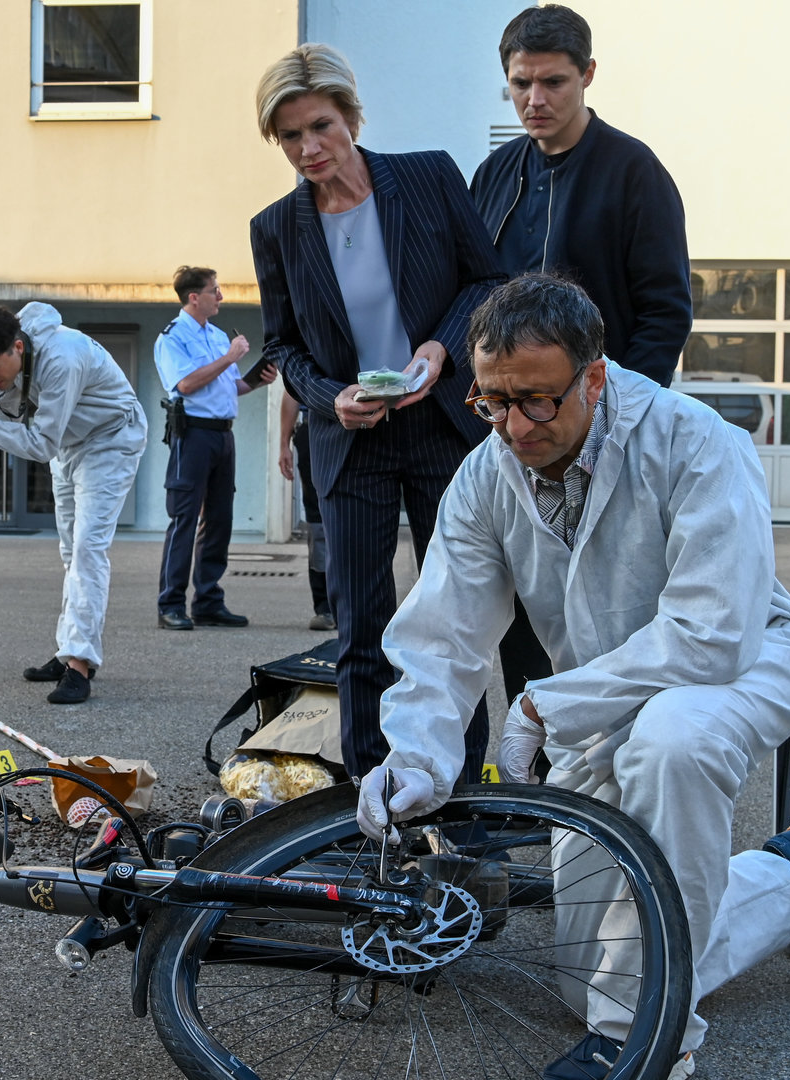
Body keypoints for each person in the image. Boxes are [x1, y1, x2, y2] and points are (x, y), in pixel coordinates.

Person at [355, 275, 790, 1079]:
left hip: (745, 664)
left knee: (671, 742)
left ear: (595, 377)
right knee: (582, 979)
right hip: (602, 692)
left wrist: (541, 706)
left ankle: (647, 1038)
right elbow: (442, 632)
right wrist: (416, 754)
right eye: (492, 401)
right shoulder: (489, 472)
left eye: (537, 400)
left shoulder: (697, 442)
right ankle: (785, 882)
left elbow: (710, 636)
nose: (514, 426)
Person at [249, 43, 505, 778]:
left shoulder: (427, 176)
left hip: (441, 430)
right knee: (362, 627)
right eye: (291, 136)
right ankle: (367, 795)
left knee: (451, 621)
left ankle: (456, 790)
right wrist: (332, 397)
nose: (309, 148)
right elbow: (284, 348)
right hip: (350, 441)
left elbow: (487, 281)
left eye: (321, 126)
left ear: (353, 117)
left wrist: (440, 350)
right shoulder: (275, 227)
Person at [470, 4, 690, 388]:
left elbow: (665, 313)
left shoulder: (635, 172)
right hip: (502, 414)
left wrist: (620, 408)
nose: (535, 99)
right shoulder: (493, 172)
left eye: (553, 82)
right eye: (521, 84)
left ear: (587, 74)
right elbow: (469, 294)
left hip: (601, 414)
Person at [0, 303, 146, 705]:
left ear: (17, 347)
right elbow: (26, 416)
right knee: (69, 552)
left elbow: (39, 443)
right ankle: (68, 650)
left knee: (89, 549)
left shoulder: (62, 358)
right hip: (71, 443)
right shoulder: (17, 354)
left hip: (110, 439)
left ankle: (80, 666)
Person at [153, 265, 276, 630]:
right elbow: (187, 384)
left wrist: (256, 378)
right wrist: (230, 357)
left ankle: (207, 601)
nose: (220, 296)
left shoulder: (218, 335)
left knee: (220, 518)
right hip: (192, 433)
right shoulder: (173, 337)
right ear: (194, 297)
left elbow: (231, 386)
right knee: (184, 518)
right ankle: (170, 604)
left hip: (223, 434)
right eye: (214, 290)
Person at [276, 390, 334, 631]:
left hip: (362, 428)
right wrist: (283, 445)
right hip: (315, 430)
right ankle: (324, 607)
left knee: (357, 522)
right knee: (318, 522)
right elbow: (291, 392)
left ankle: (357, 605)